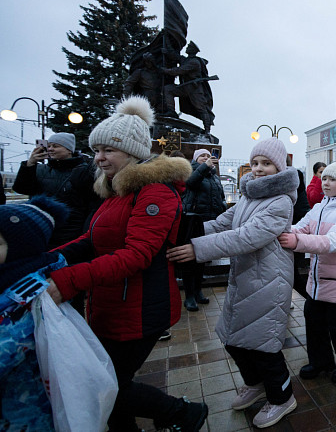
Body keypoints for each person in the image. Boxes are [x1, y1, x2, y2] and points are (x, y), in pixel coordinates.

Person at [44, 96, 208, 431]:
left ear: (132, 152)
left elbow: (137, 255)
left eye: (108, 150)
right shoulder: (116, 191)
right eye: (96, 150)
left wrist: (68, 281)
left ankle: (182, 412)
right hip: (111, 303)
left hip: (140, 306)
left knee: (108, 386)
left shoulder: (154, 193)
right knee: (109, 385)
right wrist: (50, 260)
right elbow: (93, 239)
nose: (99, 158)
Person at [167, 137, 298, 429]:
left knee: (264, 344)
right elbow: (226, 222)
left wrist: (197, 249)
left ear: (279, 167)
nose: (259, 169)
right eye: (255, 163)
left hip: (269, 279)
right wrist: (189, 230)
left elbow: (246, 236)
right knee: (234, 338)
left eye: (266, 164)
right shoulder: (250, 195)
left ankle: (282, 398)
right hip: (245, 277)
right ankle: (255, 383)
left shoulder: (280, 201)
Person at [279, 159, 336, 384]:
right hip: (317, 279)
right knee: (313, 318)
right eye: (324, 178)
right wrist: (278, 230)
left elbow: (334, 242)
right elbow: (300, 227)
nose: (326, 183)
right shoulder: (320, 207)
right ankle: (321, 361)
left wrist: (296, 241)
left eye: (333, 179)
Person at [14, 133, 101, 317]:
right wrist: (29, 164)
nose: (51, 149)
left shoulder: (82, 171)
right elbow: (22, 188)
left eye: (56, 146)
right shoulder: (40, 170)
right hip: (43, 235)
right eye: (49, 146)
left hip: (72, 235)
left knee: (70, 285)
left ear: (69, 149)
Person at [0, 196, 68, 431]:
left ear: (22, 248)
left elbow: (7, 348)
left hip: (24, 414)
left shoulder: (31, 295)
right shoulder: (9, 280)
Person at [179, 148, 226, 311]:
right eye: (202, 156)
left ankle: (198, 291)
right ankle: (189, 296)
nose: (206, 158)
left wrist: (223, 207)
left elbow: (220, 196)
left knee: (202, 258)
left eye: (208, 155)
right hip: (193, 220)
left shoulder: (213, 175)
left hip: (210, 221)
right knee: (190, 260)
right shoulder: (190, 171)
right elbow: (191, 182)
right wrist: (205, 166)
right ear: (195, 159)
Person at [290, 155, 311, 300]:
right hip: (293, 238)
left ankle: (311, 298)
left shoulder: (298, 195)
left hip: (293, 238)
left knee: (293, 274)